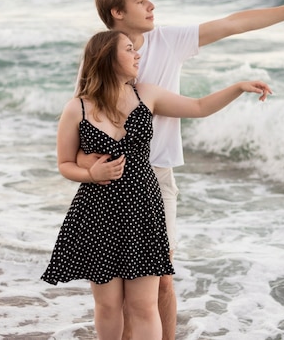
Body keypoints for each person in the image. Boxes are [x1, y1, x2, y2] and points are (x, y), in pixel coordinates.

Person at [78, 0, 284, 339]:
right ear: (117, 12)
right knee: (119, 293)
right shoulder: (99, 58)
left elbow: (234, 23)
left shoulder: (168, 40)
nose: (151, 5)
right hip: (110, 180)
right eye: (140, 0)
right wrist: (91, 170)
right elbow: (83, 120)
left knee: (161, 283)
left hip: (157, 175)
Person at [42, 30, 272, 340]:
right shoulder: (77, 108)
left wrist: (238, 87)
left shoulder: (145, 94)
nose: (137, 54)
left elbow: (200, 107)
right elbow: (65, 163)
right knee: (108, 305)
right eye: (128, 49)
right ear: (108, 58)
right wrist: (91, 175)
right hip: (97, 212)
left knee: (144, 306)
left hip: (143, 208)